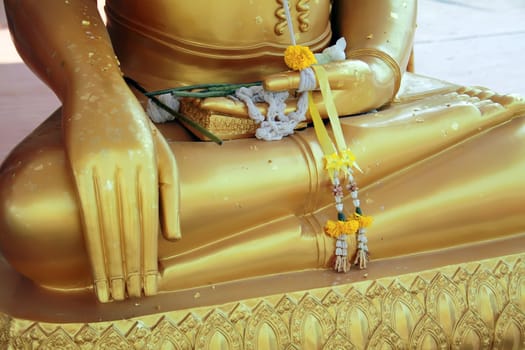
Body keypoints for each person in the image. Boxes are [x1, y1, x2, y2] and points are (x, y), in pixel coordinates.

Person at [0, 0, 523, 303]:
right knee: (39, 212)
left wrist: (379, 65)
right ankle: (364, 218)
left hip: (340, 100)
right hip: (163, 110)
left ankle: (197, 262)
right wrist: (96, 92)